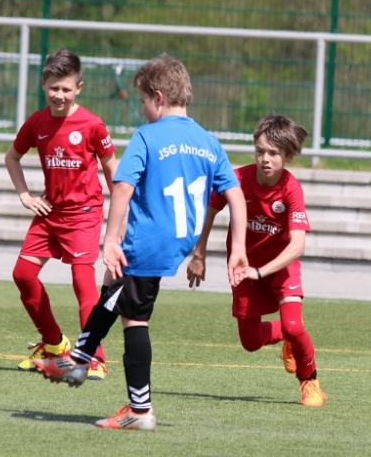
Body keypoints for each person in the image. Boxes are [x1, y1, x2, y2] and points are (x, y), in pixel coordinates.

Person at [33, 54, 249, 431]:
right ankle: (79, 360)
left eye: (143, 101)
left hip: (149, 239)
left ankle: (139, 409)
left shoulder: (148, 135)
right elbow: (236, 196)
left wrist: (110, 239)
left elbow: (122, 188)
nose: (143, 109)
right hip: (178, 239)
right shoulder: (208, 142)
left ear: (159, 98)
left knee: (134, 317)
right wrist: (239, 249)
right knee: (114, 289)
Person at [186, 114, 328, 407]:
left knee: (293, 325)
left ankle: (310, 381)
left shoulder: (291, 189)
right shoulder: (236, 179)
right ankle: (287, 335)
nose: (265, 159)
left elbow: (298, 245)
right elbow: (209, 210)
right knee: (250, 342)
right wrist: (199, 254)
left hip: (280, 267)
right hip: (243, 267)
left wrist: (261, 271)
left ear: (288, 156)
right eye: (260, 151)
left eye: (274, 153)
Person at [5, 48, 116, 379]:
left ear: (78, 88)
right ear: (43, 84)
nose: (59, 95)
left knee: (83, 281)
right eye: (54, 88)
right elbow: (12, 157)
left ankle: (94, 358)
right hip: (50, 212)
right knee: (23, 275)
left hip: (84, 213)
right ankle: (54, 345)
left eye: (66, 89)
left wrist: (122, 216)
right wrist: (25, 195)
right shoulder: (37, 122)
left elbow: (112, 170)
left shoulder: (93, 125)